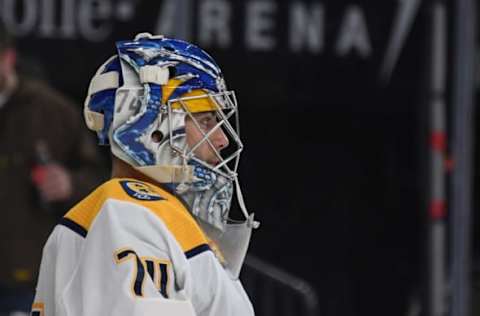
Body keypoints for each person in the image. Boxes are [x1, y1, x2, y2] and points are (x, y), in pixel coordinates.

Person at [32, 33, 259, 316]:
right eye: (205, 119)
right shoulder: (130, 216)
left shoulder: (139, 212)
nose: (222, 139)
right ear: (149, 125)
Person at [0, 23, 106, 315]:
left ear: (8, 58)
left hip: (26, 276)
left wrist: (70, 183)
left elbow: (102, 180)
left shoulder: (53, 112)